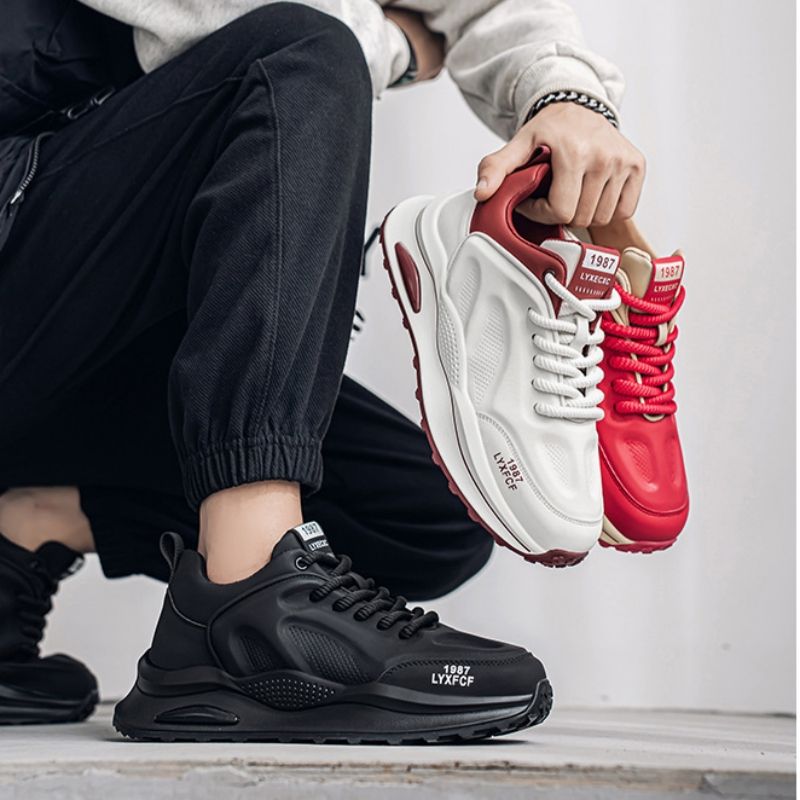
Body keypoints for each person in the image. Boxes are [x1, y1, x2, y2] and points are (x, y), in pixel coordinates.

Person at [0, 0, 644, 740]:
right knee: (301, 53)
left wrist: (567, 97)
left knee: (429, 515)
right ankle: (246, 604)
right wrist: (395, 43)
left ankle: (25, 529)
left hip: (68, 309)